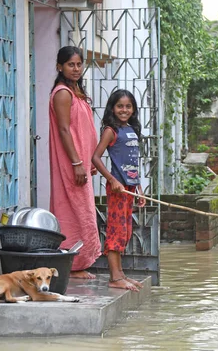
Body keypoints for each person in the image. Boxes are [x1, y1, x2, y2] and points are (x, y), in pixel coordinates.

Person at [49, 46, 101, 279]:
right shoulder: (62, 93)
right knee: (73, 211)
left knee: (83, 211)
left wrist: (89, 160)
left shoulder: (76, 91)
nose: (76, 68)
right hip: (71, 163)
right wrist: (77, 162)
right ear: (60, 67)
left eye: (79, 64)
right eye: (71, 64)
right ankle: (70, 265)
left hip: (80, 162)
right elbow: (63, 129)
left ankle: (76, 263)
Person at [92, 90, 145, 291]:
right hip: (118, 189)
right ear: (112, 108)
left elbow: (133, 163)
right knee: (116, 229)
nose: (124, 110)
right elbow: (95, 157)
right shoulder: (110, 130)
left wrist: (139, 188)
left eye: (128, 106)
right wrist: (112, 180)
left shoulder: (131, 129)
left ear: (133, 109)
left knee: (126, 230)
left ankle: (120, 274)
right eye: (120, 106)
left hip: (130, 188)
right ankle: (114, 277)